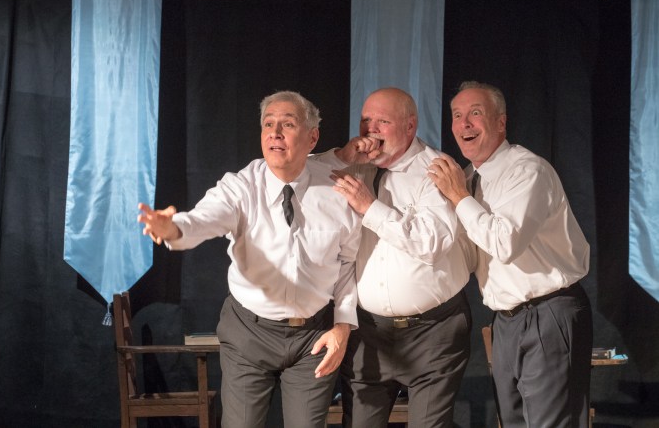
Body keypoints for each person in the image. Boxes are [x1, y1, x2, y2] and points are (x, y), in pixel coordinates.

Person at [137, 90, 362, 428]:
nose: (275, 133)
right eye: (268, 124)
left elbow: (347, 264)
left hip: (312, 337)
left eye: (288, 124)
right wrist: (172, 228)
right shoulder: (241, 187)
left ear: (312, 137)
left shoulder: (338, 191)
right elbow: (204, 219)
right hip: (249, 333)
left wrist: (342, 326)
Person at [429, 81, 593, 427]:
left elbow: (505, 245)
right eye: (457, 115)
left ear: (500, 122)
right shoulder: (468, 180)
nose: (464, 123)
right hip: (505, 321)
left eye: (475, 113)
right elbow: (468, 255)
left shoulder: (526, 170)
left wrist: (458, 197)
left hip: (548, 313)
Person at [313, 87, 472, 428]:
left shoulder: (437, 169)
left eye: (382, 121)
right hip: (369, 333)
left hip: (433, 331)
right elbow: (300, 172)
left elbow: (432, 243)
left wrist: (370, 207)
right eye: (365, 120)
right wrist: (339, 156)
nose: (370, 129)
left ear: (410, 126)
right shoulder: (354, 163)